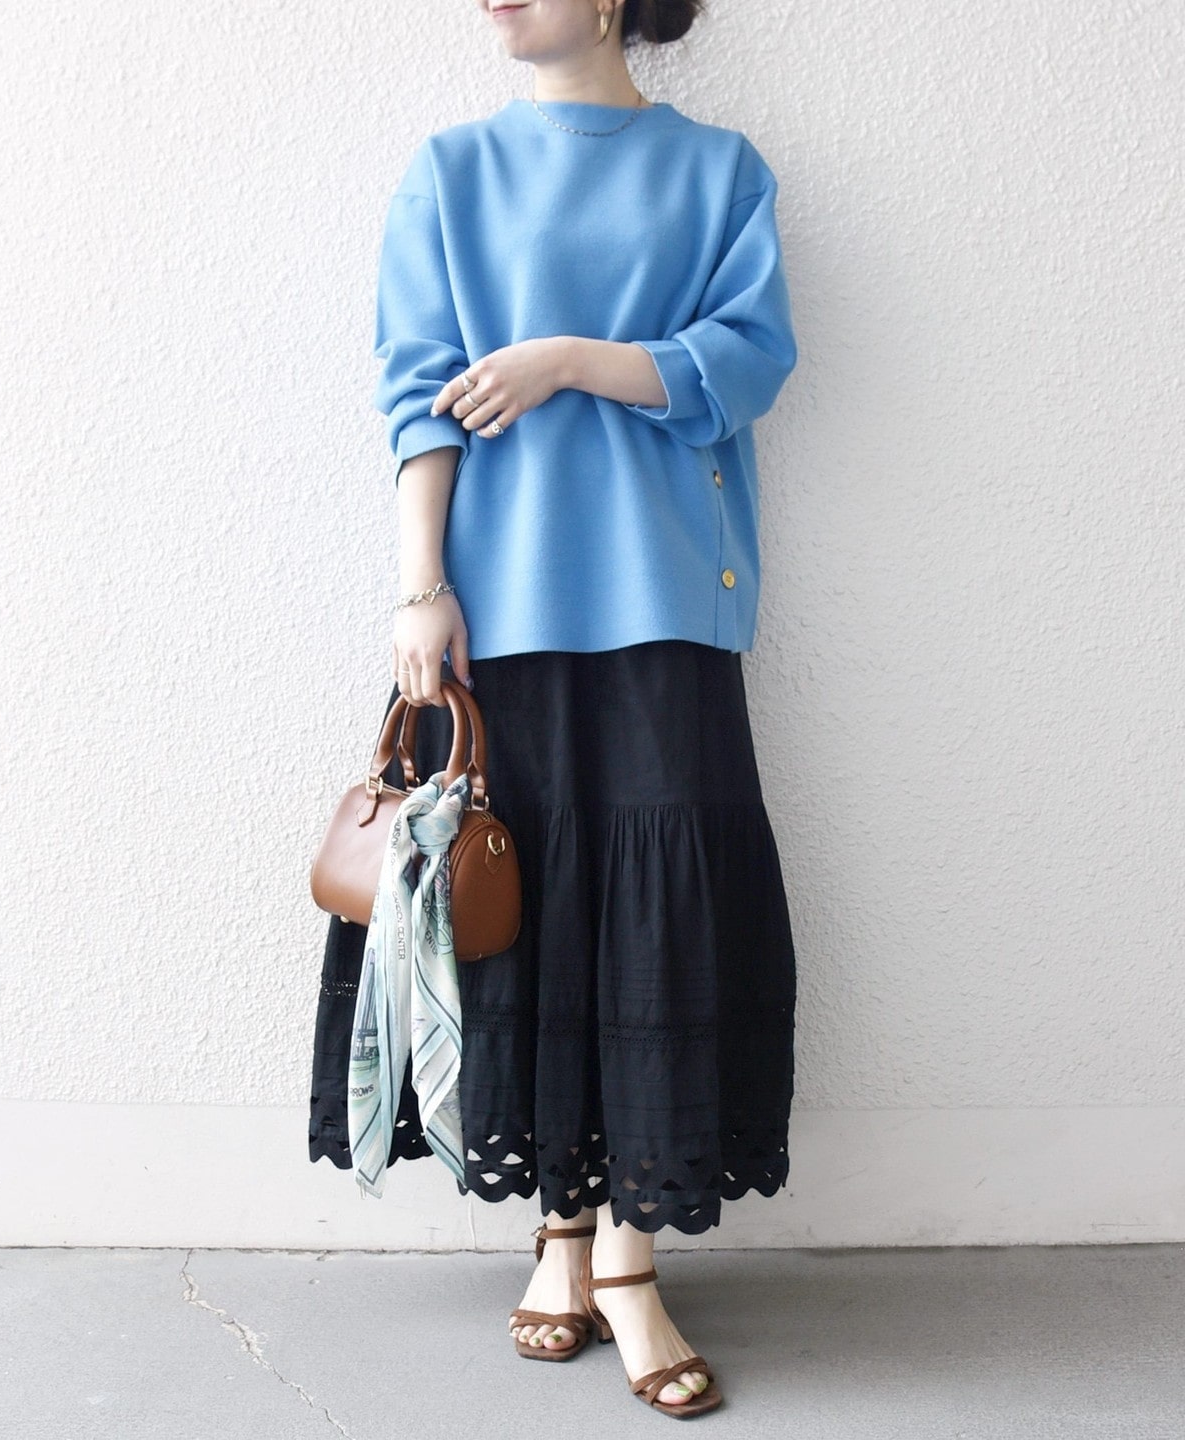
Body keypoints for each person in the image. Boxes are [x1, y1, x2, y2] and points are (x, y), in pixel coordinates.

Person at [309, 0, 799, 1419]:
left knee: (654, 920)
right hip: (498, 603)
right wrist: (420, 589)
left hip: (668, 596)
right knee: (519, 903)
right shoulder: (451, 172)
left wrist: (571, 358)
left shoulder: (719, 170)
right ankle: (560, 1237)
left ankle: (629, 1263)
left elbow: (749, 361)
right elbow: (418, 394)